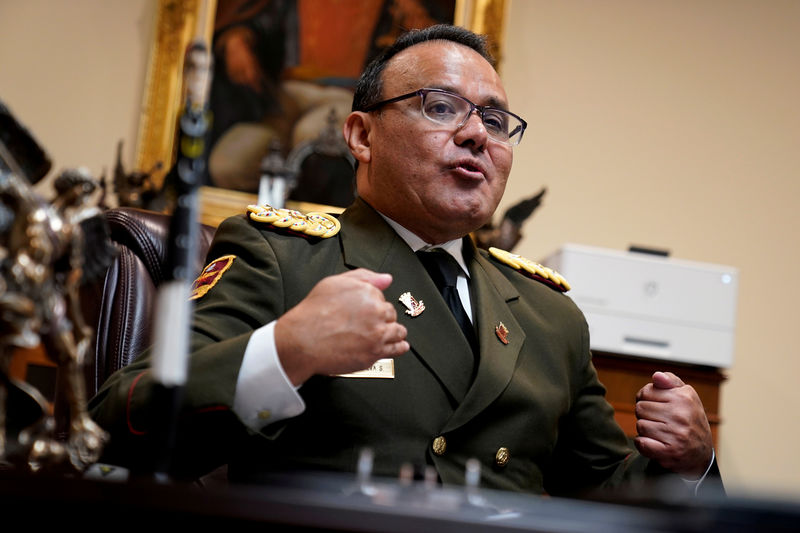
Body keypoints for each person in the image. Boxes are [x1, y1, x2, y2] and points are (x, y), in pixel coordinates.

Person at [89, 24, 719, 497]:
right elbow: (120, 422)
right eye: (441, 106)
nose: (476, 134)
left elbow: (602, 493)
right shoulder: (283, 256)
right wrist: (287, 350)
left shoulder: (552, 317)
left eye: (496, 120)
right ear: (361, 136)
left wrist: (688, 464)